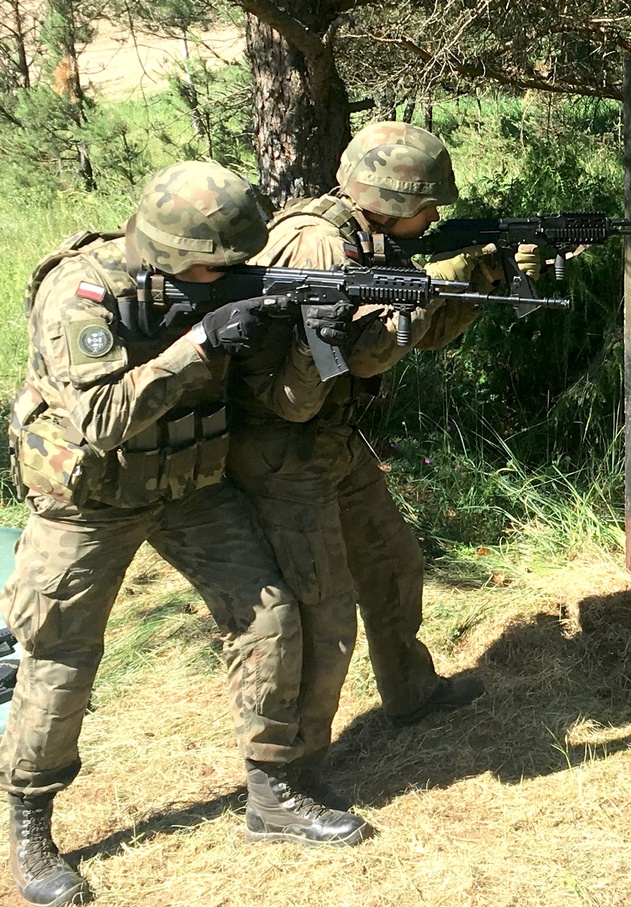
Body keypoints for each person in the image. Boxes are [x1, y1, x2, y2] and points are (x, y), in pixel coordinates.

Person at [2, 161, 375, 907]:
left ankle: (272, 790)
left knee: (269, 616)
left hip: (188, 485)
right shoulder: (81, 291)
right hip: (89, 496)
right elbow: (101, 421)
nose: (235, 276)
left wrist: (312, 339)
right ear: (174, 255)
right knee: (59, 655)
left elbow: (282, 395)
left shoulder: (217, 283)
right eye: (218, 268)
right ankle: (30, 822)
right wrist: (199, 343)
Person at [226, 122, 541, 794]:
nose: (434, 218)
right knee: (322, 613)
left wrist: (480, 274)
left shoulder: (369, 239)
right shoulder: (319, 244)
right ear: (391, 198)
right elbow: (350, 357)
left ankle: (410, 689)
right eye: (427, 206)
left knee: (392, 560)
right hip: (285, 450)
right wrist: (437, 283)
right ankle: (288, 780)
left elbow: (417, 336)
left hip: (332, 439)